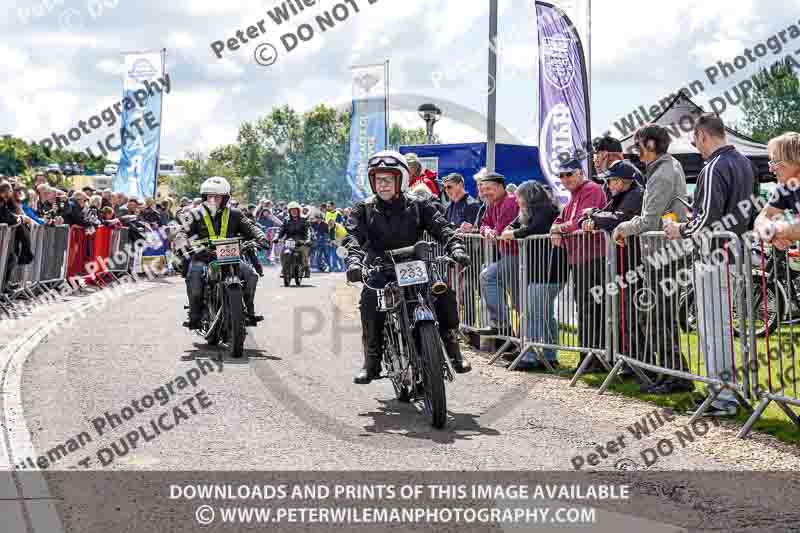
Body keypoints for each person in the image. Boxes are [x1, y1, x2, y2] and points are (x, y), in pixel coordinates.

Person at [343, 150, 472, 383]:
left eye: (388, 179)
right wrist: (353, 261)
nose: (382, 185)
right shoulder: (363, 209)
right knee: (370, 304)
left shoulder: (418, 204)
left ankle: (453, 350)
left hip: (416, 264)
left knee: (443, 294)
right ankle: (371, 362)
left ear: (401, 179)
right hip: (380, 267)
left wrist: (456, 247)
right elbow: (352, 237)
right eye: (378, 179)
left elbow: (442, 228)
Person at [664, 114, 754, 415]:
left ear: (703, 135)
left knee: (714, 330)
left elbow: (706, 218)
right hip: (733, 253)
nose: (695, 147)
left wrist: (680, 230)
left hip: (716, 255)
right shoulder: (743, 161)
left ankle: (723, 397)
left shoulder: (715, 165)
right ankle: (724, 392)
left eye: (694, 140)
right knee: (722, 329)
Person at [613, 124, 693, 394]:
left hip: (664, 254)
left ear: (650, 145)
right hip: (665, 252)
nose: (636, 151)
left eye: (638, 145)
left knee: (660, 315)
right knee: (659, 314)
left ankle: (676, 376)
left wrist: (623, 227)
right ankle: (671, 373)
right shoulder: (668, 166)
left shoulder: (662, 173)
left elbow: (649, 220)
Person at [177, 176, 269, 330]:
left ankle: (248, 312)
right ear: (204, 197)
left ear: (225, 198)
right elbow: (182, 232)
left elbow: (250, 227)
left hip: (229, 256)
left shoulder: (235, 214)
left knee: (250, 275)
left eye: (217, 196)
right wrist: (182, 243)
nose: (213, 199)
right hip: (203, 257)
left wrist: (261, 238)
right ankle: (195, 316)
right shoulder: (193, 215)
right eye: (209, 196)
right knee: (194, 277)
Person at [582, 160, 647, 372]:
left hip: (634, 261)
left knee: (631, 314)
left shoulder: (635, 195)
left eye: (610, 180)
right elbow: (606, 214)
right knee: (623, 314)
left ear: (620, 181)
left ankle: (637, 362)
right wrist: (594, 215)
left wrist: (595, 217)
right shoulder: (620, 195)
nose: (607, 185)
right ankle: (629, 359)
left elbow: (617, 219)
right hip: (623, 262)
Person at [499, 181, 566, 369]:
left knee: (534, 314)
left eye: (520, 197)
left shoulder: (545, 211)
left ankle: (530, 355)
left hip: (547, 271)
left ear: (528, 197)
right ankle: (549, 355)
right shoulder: (529, 212)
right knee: (544, 314)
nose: (517, 201)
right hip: (540, 272)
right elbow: (509, 228)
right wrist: (512, 231)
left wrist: (513, 234)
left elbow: (533, 229)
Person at [550, 158, 607, 372]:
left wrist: (558, 229)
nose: (565, 179)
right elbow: (560, 220)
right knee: (585, 309)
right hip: (580, 258)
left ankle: (593, 360)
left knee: (591, 309)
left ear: (580, 173)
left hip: (593, 257)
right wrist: (556, 227)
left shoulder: (591, 189)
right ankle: (588, 358)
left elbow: (579, 223)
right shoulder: (574, 196)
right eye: (561, 176)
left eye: (569, 174)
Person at [478, 172, 520, 336]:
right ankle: (511, 334)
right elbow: (484, 224)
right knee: (519, 302)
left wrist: (491, 232)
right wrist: (487, 230)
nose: (486, 192)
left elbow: (501, 229)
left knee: (488, 276)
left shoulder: (509, 201)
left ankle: (502, 325)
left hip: (517, 254)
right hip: (507, 255)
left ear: (501, 187)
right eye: (484, 189)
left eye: (490, 188)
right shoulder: (492, 204)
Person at [276, 201, 311, 277]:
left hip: (301, 240)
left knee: (304, 252)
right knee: (283, 253)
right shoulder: (286, 220)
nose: (294, 212)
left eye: (295, 210)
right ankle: (284, 269)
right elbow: (281, 230)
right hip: (289, 240)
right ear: (289, 211)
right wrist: (276, 237)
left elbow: (308, 231)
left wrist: (307, 240)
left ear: (298, 210)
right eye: (292, 210)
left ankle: (306, 268)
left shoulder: (304, 219)